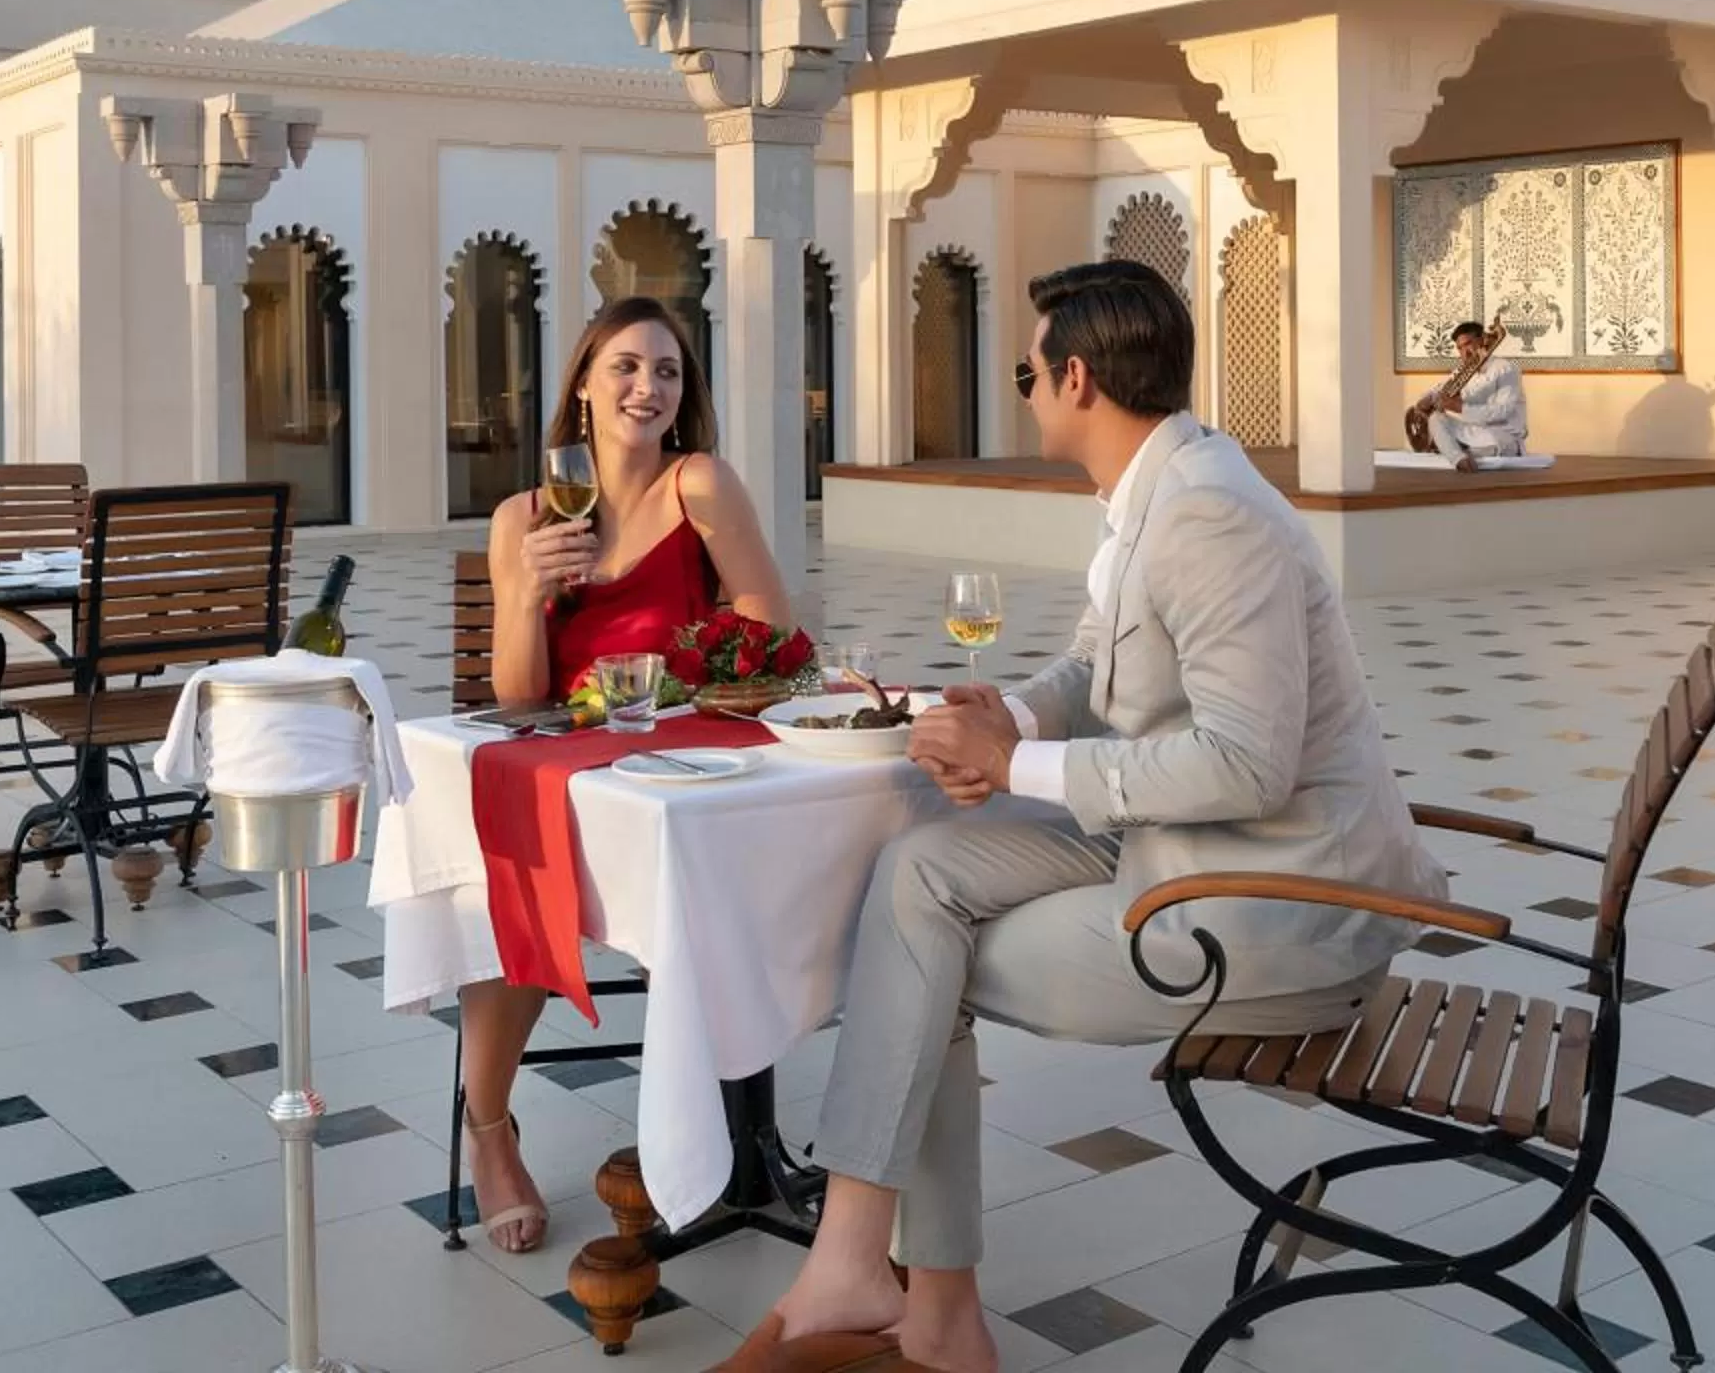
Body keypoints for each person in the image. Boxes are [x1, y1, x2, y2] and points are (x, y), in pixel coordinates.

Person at [719, 259, 1443, 1373]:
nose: (1024, 391)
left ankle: (881, 1279)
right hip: (1195, 854)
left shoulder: (1209, 517)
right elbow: (1097, 664)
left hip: (1276, 905)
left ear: (1076, 377)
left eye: (1025, 370)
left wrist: (1019, 766)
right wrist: (1005, 710)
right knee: (916, 875)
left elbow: (1248, 765)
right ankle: (917, 1297)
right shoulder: (1166, 487)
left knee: (920, 955)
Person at [463, 295, 793, 1254]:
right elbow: (520, 699)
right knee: (511, 870)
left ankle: (725, 1128)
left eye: (668, 371)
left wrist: (690, 670)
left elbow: (769, 628)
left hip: (686, 754)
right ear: (583, 384)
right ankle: (489, 1130)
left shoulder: (701, 484)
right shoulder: (524, 516)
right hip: (575, 757)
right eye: (626, 367)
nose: (648, 387)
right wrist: (525, 593)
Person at [1407, 319, 1525, 469]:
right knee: (1436, 418)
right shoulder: (1463, 371)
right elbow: (1440, 389)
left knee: (1495, 446)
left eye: (1468, 344)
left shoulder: (1505, 369)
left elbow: (1502, 412)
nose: (1464, 352)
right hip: (1472, 432)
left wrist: (1459, 407)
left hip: (1500, 434)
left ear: (1482, 340)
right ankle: (1458, 457)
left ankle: (1453, 452)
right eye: (1460, 348)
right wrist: (1427, 399)